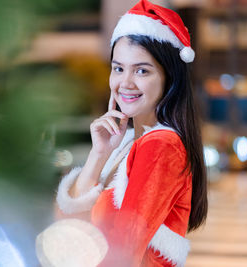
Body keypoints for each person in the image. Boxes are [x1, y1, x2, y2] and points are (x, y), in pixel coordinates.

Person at [56, 0, 208, 266]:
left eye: (141, 70)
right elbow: (68, 223)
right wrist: (100, 153)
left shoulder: (162, 145)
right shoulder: (129, 143)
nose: (125, 83)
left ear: (169, 78)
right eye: (118, 68)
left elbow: (124, 252)